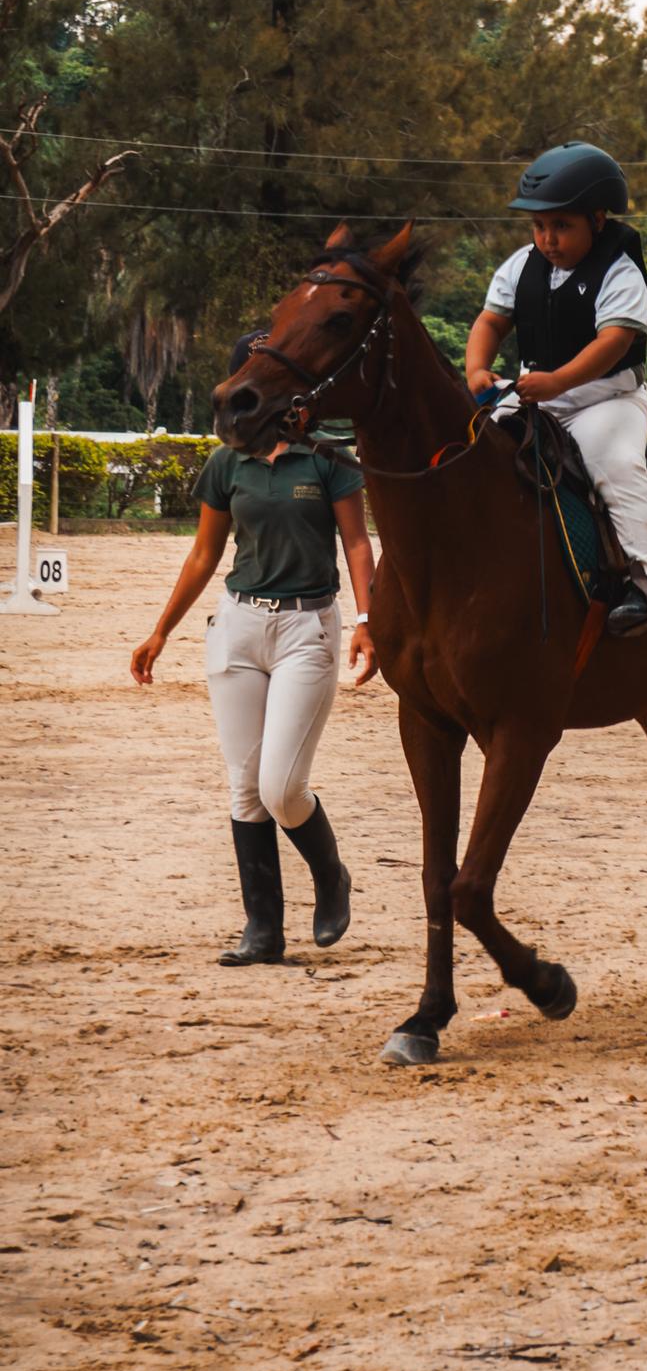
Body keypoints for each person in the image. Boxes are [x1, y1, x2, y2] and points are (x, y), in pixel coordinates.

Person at [129, 329, 377, 966]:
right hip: (238, 627)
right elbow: (205, 554)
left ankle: (330, 876)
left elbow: (355, 544)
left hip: (307, 629)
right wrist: (162, 629)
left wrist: (367, 619)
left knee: (282, 787)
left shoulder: (326, 458)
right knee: (244, 787)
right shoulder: (226, 465)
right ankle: (263, 931)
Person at [465, 140, 647, 636]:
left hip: (607, 401)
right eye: (539, 226)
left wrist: (557, 381)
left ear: (598, 220)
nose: (548, 239)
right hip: (535, 395)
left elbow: (615, 342)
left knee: (617, 466)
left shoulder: (620, 271)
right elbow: (490, 323)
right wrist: (476, 370)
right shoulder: (520, 266)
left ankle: (645, 584)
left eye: (562, 226)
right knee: (470, 452)